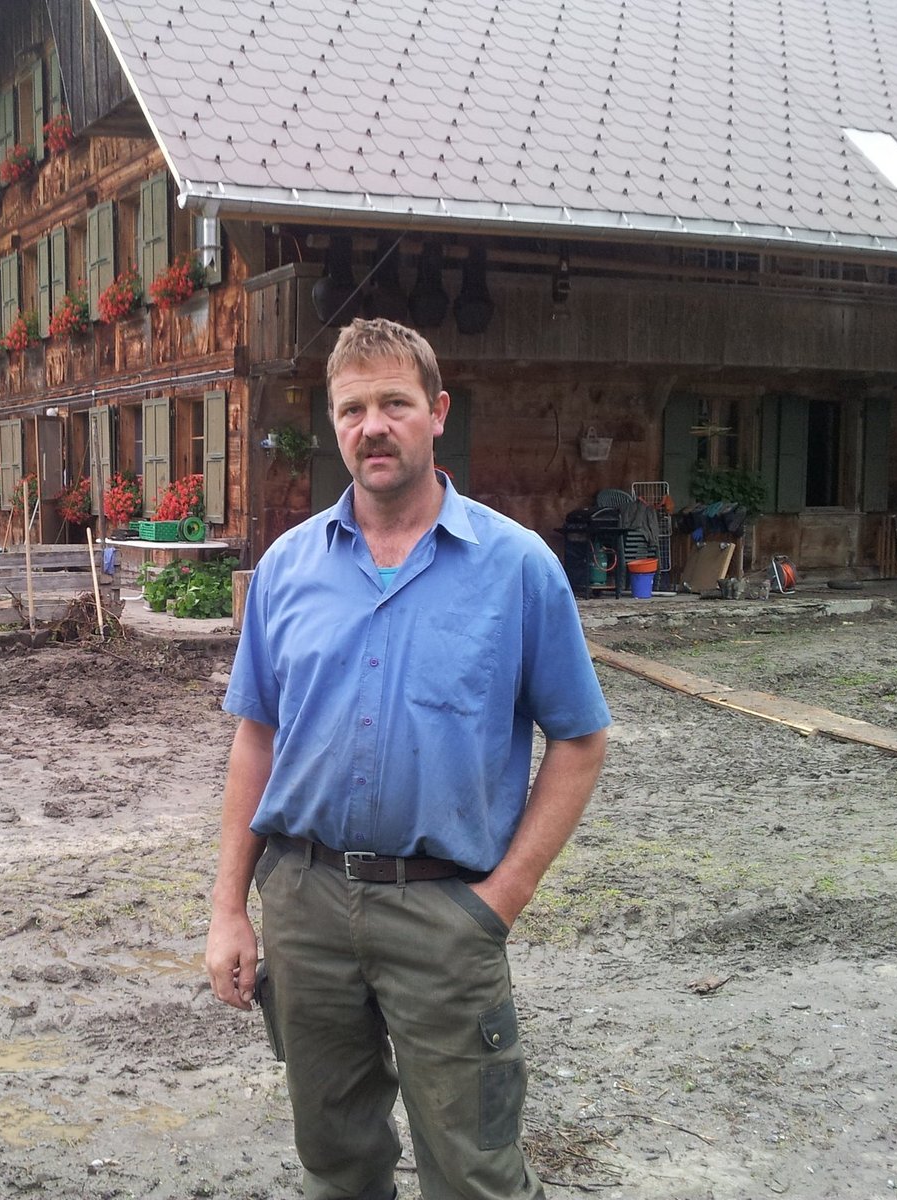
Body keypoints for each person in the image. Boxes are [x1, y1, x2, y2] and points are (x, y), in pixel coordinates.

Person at [206, 317, 610, 1200]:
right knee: (336, 1163)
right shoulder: (287, 569)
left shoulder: (516, 568)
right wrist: (230, 907)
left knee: (474, 1172)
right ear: (333, 423)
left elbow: (581, 740)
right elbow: (256, 739)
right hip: (306, 908)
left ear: (438, 412)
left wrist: (499, 902)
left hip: (445, 913)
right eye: (352, 410)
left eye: (395, 403)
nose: (373, 427)